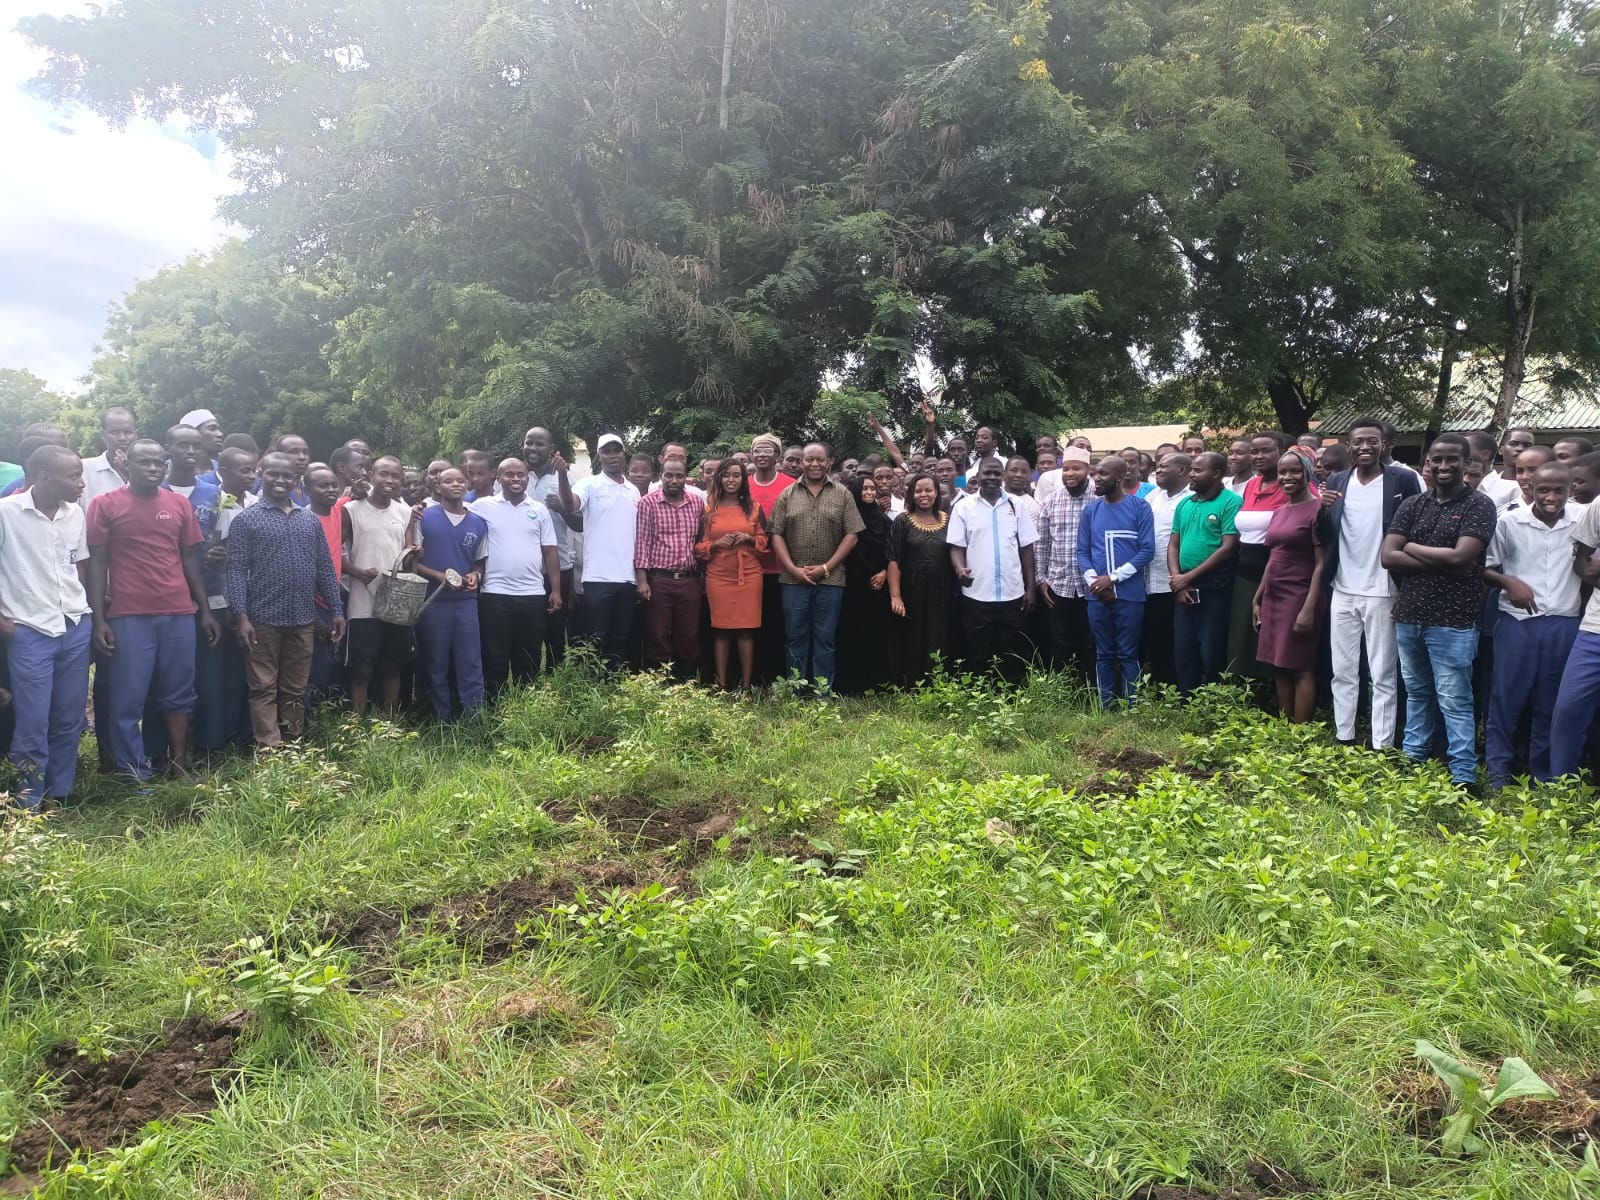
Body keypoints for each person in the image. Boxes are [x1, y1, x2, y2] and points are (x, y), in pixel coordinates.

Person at [86, 439, 220, 780]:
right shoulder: (104, 504)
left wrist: (204, 610)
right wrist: (99, 617)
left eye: (158, 463)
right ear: (127, 465)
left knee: (179, 693)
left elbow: (190, 558)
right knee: (127, 699)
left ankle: (178, 765)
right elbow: (97, 563)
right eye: (144, 462)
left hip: (177, 612)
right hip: (129, 615)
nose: (152, 468)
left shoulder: (178, 505)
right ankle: (134, 774)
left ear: (166, 466)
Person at [1381, 434, 1498, 788]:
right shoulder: (1413, 504)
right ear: (1427, 463)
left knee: (1455, 699)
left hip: (1454, 620)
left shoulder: (1480, 505)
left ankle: (1463, 775)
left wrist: (1412, 547)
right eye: (1437, 460)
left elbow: (1464, 558)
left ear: (1466, 464)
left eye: (1452, 460)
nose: (1444, 466)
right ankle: (1413, 759)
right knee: (1417, 692)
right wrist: (1441, 557)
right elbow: (1388, 556)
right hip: (1410, 614)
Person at [224, 452, 345, 748]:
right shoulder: (246, 520)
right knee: (263, 687)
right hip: (262, 618)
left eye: (286, 476)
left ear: (296, 480)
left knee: (295, 687)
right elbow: (236, 570)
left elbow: (325, 568)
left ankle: (293, 744)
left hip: (303, 619)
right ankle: (269, 750)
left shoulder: (309, 520)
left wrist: (337, 610)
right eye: (273, 474)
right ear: (261, 474)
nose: (280, 481)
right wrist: (240, 616)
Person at [1317, 417, 1421, 749]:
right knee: (1342, 669)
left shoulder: (1402, 479)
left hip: (1384, 590)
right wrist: (1321, 510)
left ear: (1383, 445)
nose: (1365, 447)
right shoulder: (1337, 479)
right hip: (1343, 587)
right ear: (1348, 447)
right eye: (1358, 441)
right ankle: (1344, 735)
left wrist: (1406, 592)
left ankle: (1382, 745)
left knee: (1383, 673)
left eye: (1371, 441)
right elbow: (1324, 533)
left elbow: (1415, 530)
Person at [0, 446, 93, 810]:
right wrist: (7, 626)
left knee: (70, 717)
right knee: (32, 722)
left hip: (74, 625)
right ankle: (28, 803)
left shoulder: (75, 514)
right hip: (29, 630)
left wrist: (88, 616)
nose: (81, 483)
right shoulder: (6, 514)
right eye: (73, 476)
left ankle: (59, 793)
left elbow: (80, 566)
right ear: (42, 477)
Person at [1481, 462, 1582, 788]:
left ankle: (1543, 775)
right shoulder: (1509, 522)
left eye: (1559, 490)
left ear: (1571, 490)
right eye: (1543, 490)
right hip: (1518, 622)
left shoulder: (1581, 521)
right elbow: (1485, 567)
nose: (1551, 497)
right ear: (1530, 489)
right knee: (1506, 699)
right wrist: (1508, 582)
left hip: (1564, 623)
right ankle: (1498, 773)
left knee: (1549, 703)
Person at [769, 442, 863, 695]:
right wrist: (792, 568)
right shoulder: (787, 494)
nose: (814, 464)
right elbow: (775, 534)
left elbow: (852, 534)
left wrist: (826, 568)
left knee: (825, 639)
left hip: (831, 580)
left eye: (819, 460)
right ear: (801, 462)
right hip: (792, 580)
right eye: (808, 460)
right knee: (795, 637)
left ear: (829, 462)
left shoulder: (842, 494)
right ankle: (795, 691)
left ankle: (822, 694)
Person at [472, 456, 562, 695]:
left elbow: (550, 551)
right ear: (498, 478)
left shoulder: (539, 510)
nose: (515, 479)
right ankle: (495, 707)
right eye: (509, 474)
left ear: (527, 478)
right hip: (494, 594)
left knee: (529, 656)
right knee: (495, 657)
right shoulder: (482, 507)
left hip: (532, 594)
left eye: (520, 474)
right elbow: (457, 521)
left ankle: (525, 707)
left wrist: (555, 590)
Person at [949, 458, 1038, 684]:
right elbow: (956, 547)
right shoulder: (963, 507)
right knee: (978, 648)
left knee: (1012, 648)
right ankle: (980, 692)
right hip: (977, 592)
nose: (992, 478)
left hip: (1012, 592)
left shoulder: (1016, 505)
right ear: (978, 476)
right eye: (987, 473)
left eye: (997, 474)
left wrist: (1031, 589)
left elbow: (1027, 549)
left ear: (1003, 476)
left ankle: (1012, 693)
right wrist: (960, 569)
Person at [1252, 451, 1326, 723]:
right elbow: (1274, 556)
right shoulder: (1280, 511)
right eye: (1282, 472)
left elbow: (1322, 564)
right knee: (1279, 666)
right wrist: (1258, 598)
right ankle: (1286, 727)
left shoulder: (1319, 509)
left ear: (1307, 473)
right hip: (1274, 595)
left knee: (1300, 667)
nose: (1287, 477)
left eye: (1294, 471)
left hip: (1301, 595)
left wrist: (1309, 608)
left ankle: (1300, 731)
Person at [407, 466, 488, 719]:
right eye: (448, 481)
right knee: (436, 662)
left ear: (467, 486)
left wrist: (476, 576)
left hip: (466, 603)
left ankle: (475, 720)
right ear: (437, 487)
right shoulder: (425, 517)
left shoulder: (478, 523)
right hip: (433, 602)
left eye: (461, 481)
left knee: (471, 662)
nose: (456, 485)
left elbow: (479, 562)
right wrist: (439, 576)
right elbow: (411, 561)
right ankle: (443, 720)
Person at [341, 455, 416, 714]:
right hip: (362, 600)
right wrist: (356, 572)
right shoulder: (352, 510)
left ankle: (390, 722)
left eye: (395, 476)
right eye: (383, 474)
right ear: (371, 475)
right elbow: (334, 552)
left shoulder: (404, 512)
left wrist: (415, 553)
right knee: (362, 668)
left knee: (393, 665)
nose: (389, 480)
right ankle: (356, 723)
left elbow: (408, 550)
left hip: (395, 601)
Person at [1078, 457, 1155, 707]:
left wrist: (1112, 579)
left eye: (1103, 474)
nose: (1096, 479)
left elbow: (1146, 550)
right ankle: (1106, 706)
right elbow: (1082, 552)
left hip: (1130, 594)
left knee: (1128, 654)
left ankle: (1131, 707)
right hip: (1096, 596)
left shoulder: (1140, 507)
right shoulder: (1090, 510)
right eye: (1094, 474)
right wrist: (1096, 585)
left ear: (1120, 477)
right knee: (1103, 653)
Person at [1169, 452, 1242, 697]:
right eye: (1191, 469)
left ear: (1217, 473)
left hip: (1214, 585)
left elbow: (1229, 547)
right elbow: (1173, 545)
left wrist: (1187, 579)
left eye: (1198, 470)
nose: (1191, 474)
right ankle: (1186, 703)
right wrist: (1178, 580)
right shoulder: (1185, 504)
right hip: (1182, 585)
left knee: (1211, 650)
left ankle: (1211, 703)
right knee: (1184, 649)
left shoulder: (1230, 502)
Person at [567, 433, 641, 670]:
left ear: (623, 453)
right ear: (599, 456)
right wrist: (561, 474)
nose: (612, 456)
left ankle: (615, 685)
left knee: (621, 637)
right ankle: (595, 686)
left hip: (627, 577)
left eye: (616, 450)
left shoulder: (633, 491)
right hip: (598, 577)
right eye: (607, 451)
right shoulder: (589, 484)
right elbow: (571, 505)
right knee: (597, 637)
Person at [1229, 432, 1299, 678]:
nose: (1258, 456)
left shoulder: (1293, 485)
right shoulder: (1251, 485)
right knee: (1242, 639)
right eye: (1254, 451)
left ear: (1282, 452)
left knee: (1270, 641)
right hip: (1244, 575)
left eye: (1266, 450)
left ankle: (1267, 700)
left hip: (1277, 577)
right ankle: (1243, 698)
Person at [697, 459, 769, 691]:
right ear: (719, 478)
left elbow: (765, 542)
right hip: (718, 576)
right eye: (726, 475)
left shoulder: (753, 507)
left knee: (746, 631)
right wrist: (717, 544)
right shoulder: (709, 508)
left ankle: (746, 687)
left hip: (749, 575)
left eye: (736, 475)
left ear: (743, 479)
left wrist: (748, 539)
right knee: (721, 631)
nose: (731, 480)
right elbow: (698, 547)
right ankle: (721, 685)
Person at [633, 459, 705, 676]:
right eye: (669, 475)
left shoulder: (697, 503)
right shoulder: (648, 503)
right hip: (659, 580)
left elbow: (701, 541)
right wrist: (642, 581)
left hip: (689, 579)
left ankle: (686, 683)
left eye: (679, 476)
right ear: (661, 476)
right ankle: (658, 684)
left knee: (689, 634)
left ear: (686, 477)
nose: (674, 480)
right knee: (658, 634)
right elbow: (642, 543)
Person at [888, 472, 957, 684]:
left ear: (937, 493)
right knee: (913, 636)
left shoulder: (949, 520)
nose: (923, 495)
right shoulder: (903, 521)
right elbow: (893, 561)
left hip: (943, 592)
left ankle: (938, 683)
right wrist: (896, 596)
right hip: (912, 592)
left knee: (940, 635)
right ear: (911, 494)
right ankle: (912, 684)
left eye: (928, 490)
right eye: (918, 491)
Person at [1034, 446, 1094, 681]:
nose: (1070, 473)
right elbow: (1042, 544)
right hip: (1059, 584)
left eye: (1076, 468)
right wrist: (1041, 579)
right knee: (1060, 640)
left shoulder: (1099, 498)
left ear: (1087, 470)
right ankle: (1062, 691)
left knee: (1090, 640)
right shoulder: (1051, 501)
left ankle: (1090, 690)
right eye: (1066, 468)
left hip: (1092, 586)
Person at [523, 427, 577, 668]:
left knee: (555, 631)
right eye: (528, 443)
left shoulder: (566, 478)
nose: (533, 448)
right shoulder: (516, 475)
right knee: (529, 630)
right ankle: (529, 681)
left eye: (539, 444)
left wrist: (561, 509)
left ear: (551, 448)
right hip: (525, 569)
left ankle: (555, 683)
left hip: (558, 568)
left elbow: (579, 522)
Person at [746, 435, 796, 685]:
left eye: (768, 450)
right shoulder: (743, 485)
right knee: (751, 627)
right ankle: (753, 678)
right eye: (757, 450)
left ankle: (778, 678)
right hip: (749, 568)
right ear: (751, 455)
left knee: (778, 626)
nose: (762, 454)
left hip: (781, 569)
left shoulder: (791, 485)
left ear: (778, 455)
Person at [837, 475, 893, 694]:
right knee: (853, 634)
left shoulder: (885, 521)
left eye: (872, 489)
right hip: (853, 586)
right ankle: (851, 685)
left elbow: (893, 551)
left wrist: (884, 572)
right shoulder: (848, 520)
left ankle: (877, 683)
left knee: (877, 634)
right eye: (864, 489)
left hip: (879, 586)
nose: (869, 493)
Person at [1142, 451, 1191, 687]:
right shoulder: (1153, 497)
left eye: (1163, 467)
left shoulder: (1192, 498)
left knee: (1178, 640)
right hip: (1151, 580)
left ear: (1182, 470)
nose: (1157, 470)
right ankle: (1162, 689)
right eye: (1156, 467)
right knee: (1158, 637)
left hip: (1180, 580)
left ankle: (1179, 689)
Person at [304, 464, 346, 704]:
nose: (330, 490)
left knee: (326, 666)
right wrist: (313, 614)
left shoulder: (339, 512)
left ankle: (322, 721)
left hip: (333, 603)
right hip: (311, 605)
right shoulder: (304, 520)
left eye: (333, 485)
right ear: (307, 489)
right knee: (307, 667)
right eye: (323, 486)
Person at [82, 408, 138, 507]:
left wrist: (130, 473)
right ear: (103, 436)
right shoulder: (84, 469)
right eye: (115, 432)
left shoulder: (149, 469)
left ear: (136, 435)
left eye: (128, 432)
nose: (122, 438)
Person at [1478, 428, 1534, 509]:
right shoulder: (1485, 486)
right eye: (1514, 444)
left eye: (1527, 445)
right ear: (1501, 450)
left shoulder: (1541, 487)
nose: (1520, 449)